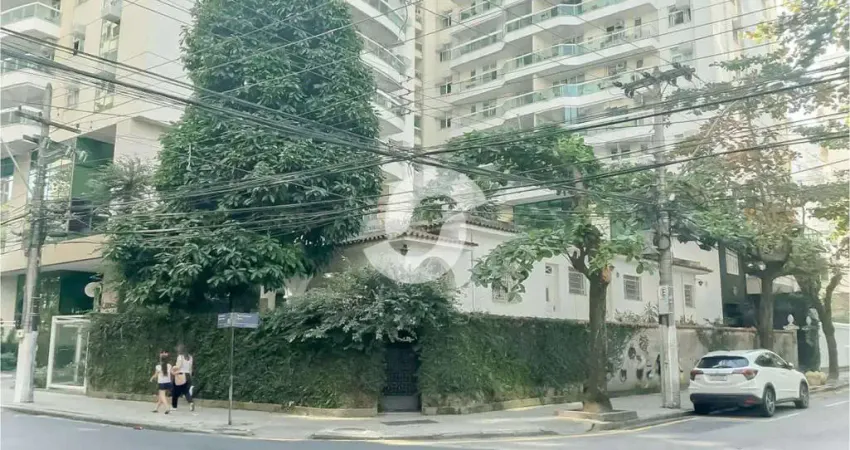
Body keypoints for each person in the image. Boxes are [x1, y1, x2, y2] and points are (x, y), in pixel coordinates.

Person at [171, 344, 195, 411]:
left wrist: (173, 367)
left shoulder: (180, 357)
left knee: (175, 390)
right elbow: (190, 368)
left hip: (181, 375)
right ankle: (191, 402)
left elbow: (178, 366)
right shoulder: (190, 357)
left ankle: (174, 406)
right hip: (187, 375)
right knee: (186, 391)